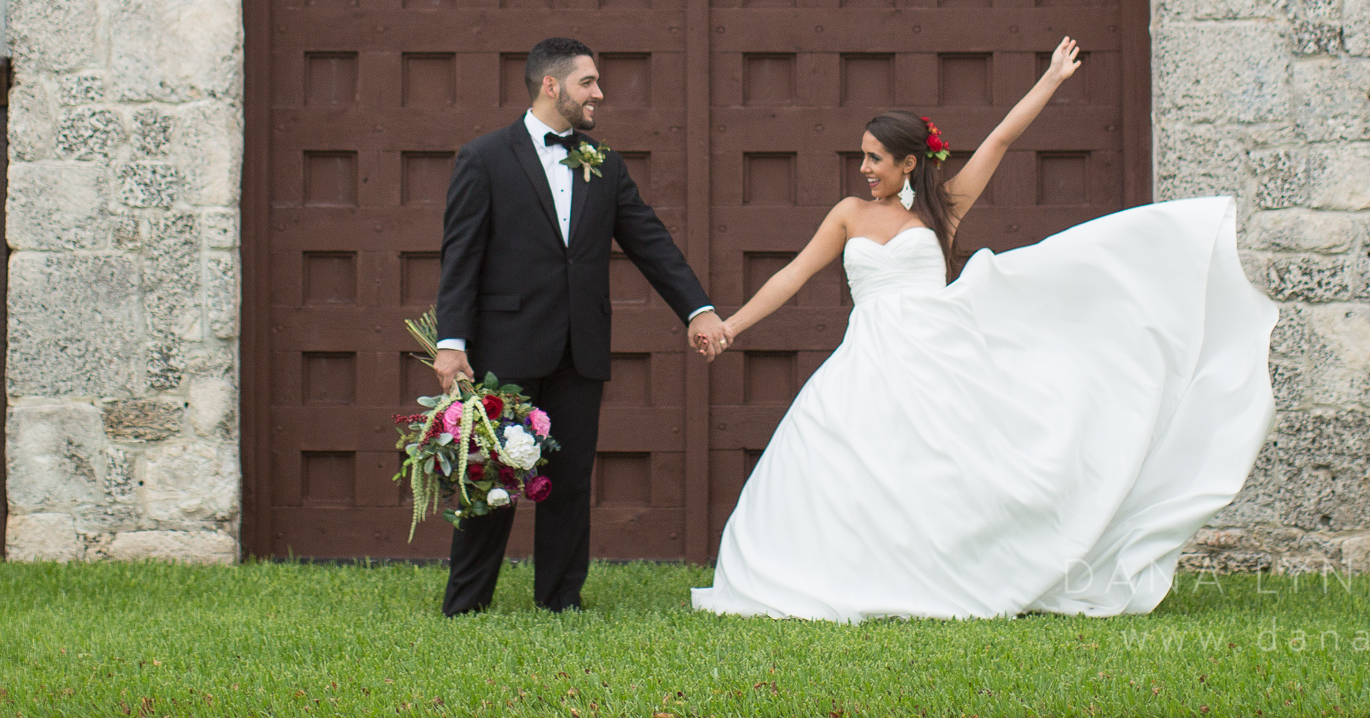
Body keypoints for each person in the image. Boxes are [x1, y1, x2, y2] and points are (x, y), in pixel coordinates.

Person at [691, 38, 1277, 620]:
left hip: (939, 354)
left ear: (908, 164)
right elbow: (793, 275)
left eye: (874, 158)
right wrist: (732, 325)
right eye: (862, 157)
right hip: (867, 358)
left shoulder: (939, 210)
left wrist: (1051, 78)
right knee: (843, 461)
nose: (863, 168)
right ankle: (854, 575)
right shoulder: (848, 213)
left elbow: (1000, 139)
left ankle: (980, 568)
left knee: (963, 469)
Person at [432, 36, 730, 615]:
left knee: (568, 482)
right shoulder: (485, 157)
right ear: (552, 85)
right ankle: (466, 604)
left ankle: (561, 600)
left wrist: (698, 309)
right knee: (493, 478)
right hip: (506, 346)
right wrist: (451, 344)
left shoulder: (605, 162)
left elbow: (650, 241)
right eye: (588, 82)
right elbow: (460, 255)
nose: (600, 92)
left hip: (581, 349)